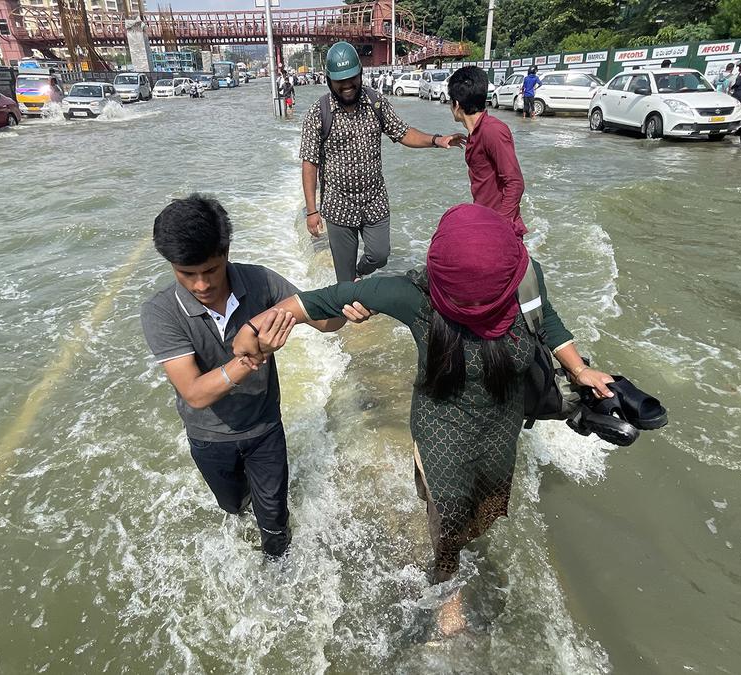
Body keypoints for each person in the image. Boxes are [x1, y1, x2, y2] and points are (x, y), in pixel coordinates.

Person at [232, 203, 614, 591]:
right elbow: (318, 301)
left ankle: (454, 559)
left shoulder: (521, 278)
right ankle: (446, 586)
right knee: (447, 519)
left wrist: (579, 369)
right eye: (469, 299)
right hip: (441, 438)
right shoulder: (416, 297)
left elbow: (545, 317)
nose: (479, 306)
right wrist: (254, 327)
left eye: (487, 297)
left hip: (501, 432)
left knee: (483, 510)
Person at [140, 195, 346, 559]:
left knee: (274, 521)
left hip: (265, 428)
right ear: (171, 265)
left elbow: (326, 322)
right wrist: (252, 355)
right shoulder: (160, 312)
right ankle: (244, 504)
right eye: (187, 274)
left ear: (227, 252)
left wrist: (346, 302)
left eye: (211, 270)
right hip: (209, 437)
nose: (201, 285)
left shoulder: (261, 282)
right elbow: (195, 393)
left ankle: (278, 573)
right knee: (234, 505)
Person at [300, 41, 467, 282]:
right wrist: (312, 211)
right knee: (344, 283)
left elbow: (402, 132)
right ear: (329, 80)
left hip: (374, 200)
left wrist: (436, 140)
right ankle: (352, 307)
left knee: (380, 255)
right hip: (338, 205)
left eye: (352, 79)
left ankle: (360, 272)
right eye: (340, 82)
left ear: (360, 74)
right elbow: (309, 163)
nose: (347, 86)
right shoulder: (319, 113)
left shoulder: (375, 102)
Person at [447, 66, 526, 236]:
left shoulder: (492, 130)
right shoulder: (478, 132)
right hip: (485, 219)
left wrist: (500, 227)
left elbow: (515, 183)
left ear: (456, 104)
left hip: (499, 226)